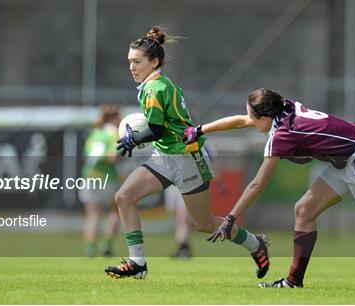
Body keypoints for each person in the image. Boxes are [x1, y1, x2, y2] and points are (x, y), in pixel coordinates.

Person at [182, 87, 355, 288]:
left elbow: (257, 183)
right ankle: (294, 282)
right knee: (304, 210)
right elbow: (243, 120)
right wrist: (202, 129)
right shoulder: (283, 108)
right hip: (346, 159)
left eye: (253, 117)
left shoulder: (282, 133)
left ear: (265, 117)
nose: (248, 120)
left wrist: (230, 217)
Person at [104, 26, 270, 279]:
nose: (132, 67)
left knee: (204, 224)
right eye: (130, 62)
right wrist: (136, 138)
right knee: (124, 197)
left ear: (154, 62)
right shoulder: (153, 86)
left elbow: (157, 130)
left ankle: (256, 245)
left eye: (137, 62)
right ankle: (138, 263)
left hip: (188, 158)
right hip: (165, 156)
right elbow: (160, 132)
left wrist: (132, 139)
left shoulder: (155, 89)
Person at [79, 104, 121, 257]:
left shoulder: (95, 133)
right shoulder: (113, 133)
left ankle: (89, 248)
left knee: (92, 214)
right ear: (115, 117)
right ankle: (106, 246)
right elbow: (112, 157)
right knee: (115, 212)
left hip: (90, 175)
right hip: (106, 177)